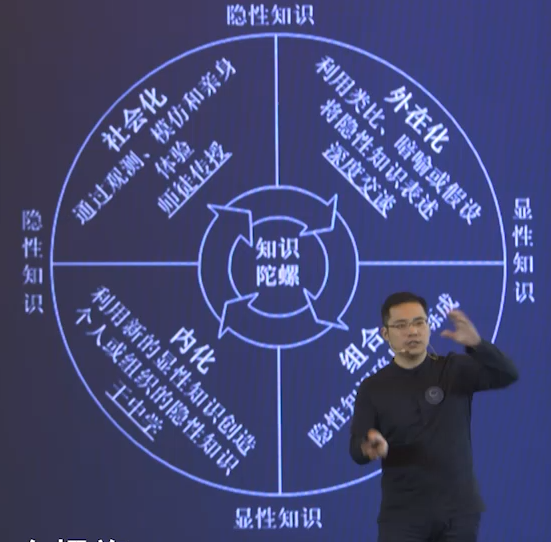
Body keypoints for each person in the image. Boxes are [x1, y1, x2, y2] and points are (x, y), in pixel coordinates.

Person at [349, 292, 519, 542]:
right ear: (385, 334)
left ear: (428, 326)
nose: (412, 331)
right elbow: (356, 448)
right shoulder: (372, 387)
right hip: (402, 516)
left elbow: (508, 375)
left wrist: (477, 345)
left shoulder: (454, 369)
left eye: (419, 322)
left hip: (458, 512)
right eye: (401, 325)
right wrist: (368, 447)